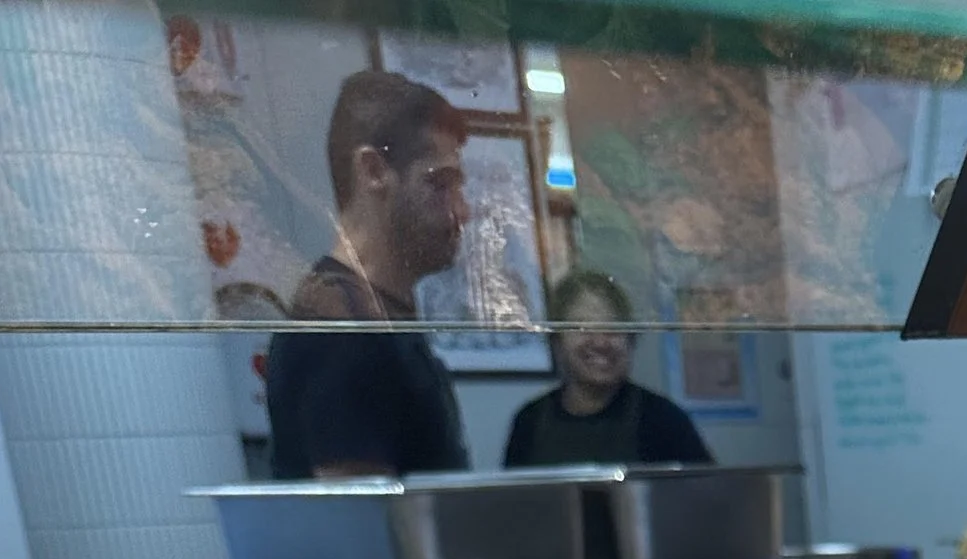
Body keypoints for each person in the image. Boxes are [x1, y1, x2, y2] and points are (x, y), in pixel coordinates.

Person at [265, 70, 468, 481]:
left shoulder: (369, 316)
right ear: (374, 171)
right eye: (439, 184)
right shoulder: (342, 330)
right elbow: (360, 516)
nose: (462, 211)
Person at [503, 273, 714, 470]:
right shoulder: (529, 422)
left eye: (613, 328)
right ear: (556, 342)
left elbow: (708, 494)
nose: (601, 342)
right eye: (583, 328)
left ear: (630, 339)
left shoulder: (664, 420)